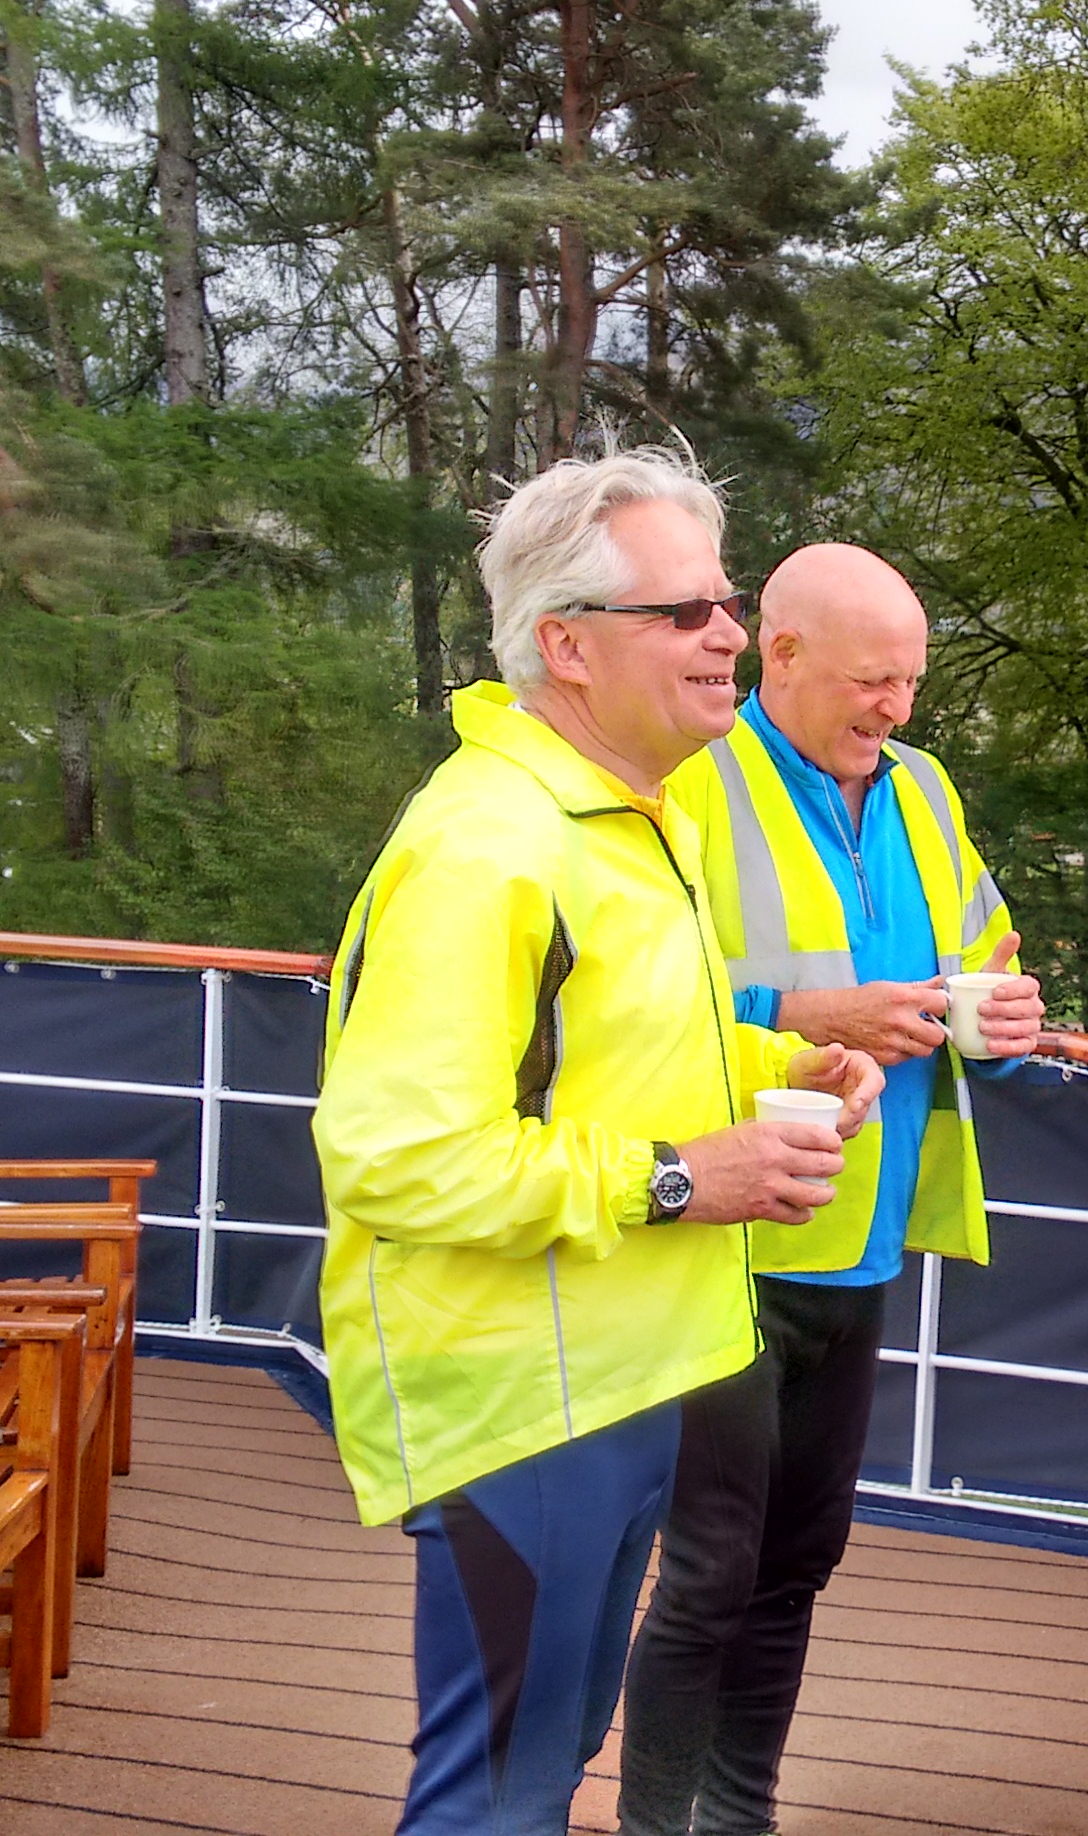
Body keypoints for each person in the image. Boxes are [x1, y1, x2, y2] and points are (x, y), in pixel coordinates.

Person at [313, 447, 886, 1836]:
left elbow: (612, 1052)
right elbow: (397, 1159)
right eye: (684, 612)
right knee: (496, 1791)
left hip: (622, 1374)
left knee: (549, 1760)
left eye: (727, 602)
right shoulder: (488, 848)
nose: (729, 634)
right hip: (527, 1398)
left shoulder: (631, 810)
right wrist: (686, 1178)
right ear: (567, 646)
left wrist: (777, 1065)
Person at [622, 543, 1045, 1836]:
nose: (896, 709)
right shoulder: (687, 782)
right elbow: (635, 1008)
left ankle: (736, 1816)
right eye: (874, 682)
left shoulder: (924, 786)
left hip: (862, 1241)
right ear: (783, 653)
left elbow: (983, 957)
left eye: (911, 682)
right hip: (724, 1238)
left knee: (799, 1561)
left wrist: (1004, 1019)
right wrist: (816, 1015)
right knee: (708, 1570)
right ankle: (654, 1826)